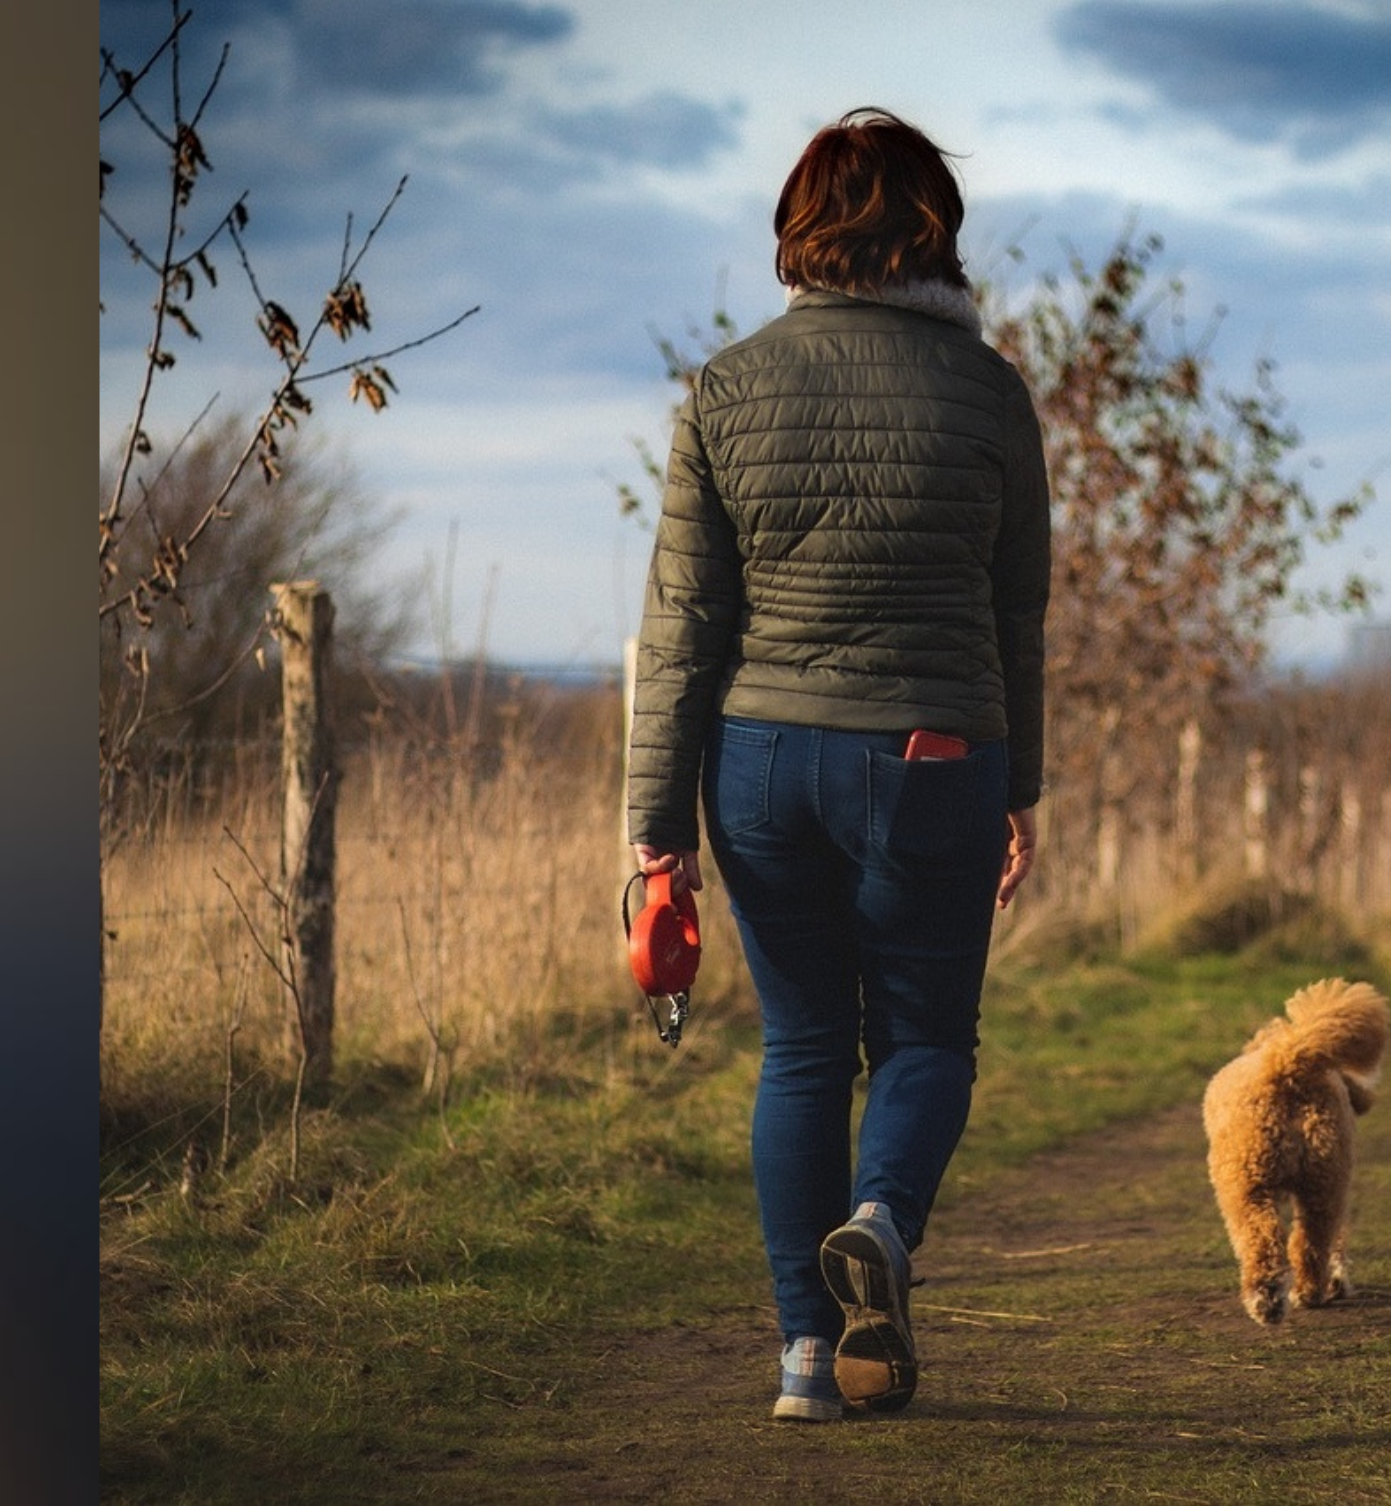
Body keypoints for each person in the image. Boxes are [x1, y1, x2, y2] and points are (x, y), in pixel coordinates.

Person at [624, 106, 1046, 1426]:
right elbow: (1015, 610)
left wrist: (655, 825)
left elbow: (681, 626)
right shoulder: (989, 393)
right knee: (924, 1035)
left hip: (757, 765)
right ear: (936, 236)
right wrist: (1018, 781)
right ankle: (882, 1223)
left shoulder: (728, 388)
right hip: (932, 756)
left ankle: (811, 1355)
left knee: (801, 1047)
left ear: (801, 233)